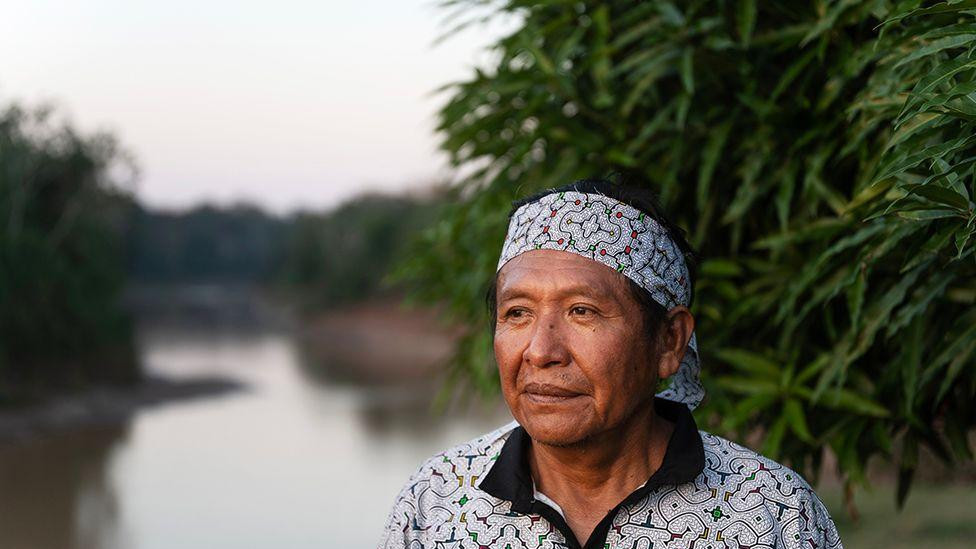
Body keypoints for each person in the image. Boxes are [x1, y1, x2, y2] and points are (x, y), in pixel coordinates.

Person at [378, 178, 843, 549]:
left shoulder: (771, 513)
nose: (540, 351)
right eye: (517, 313)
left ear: (668, 340)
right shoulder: (437, 503)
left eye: (582, 311)